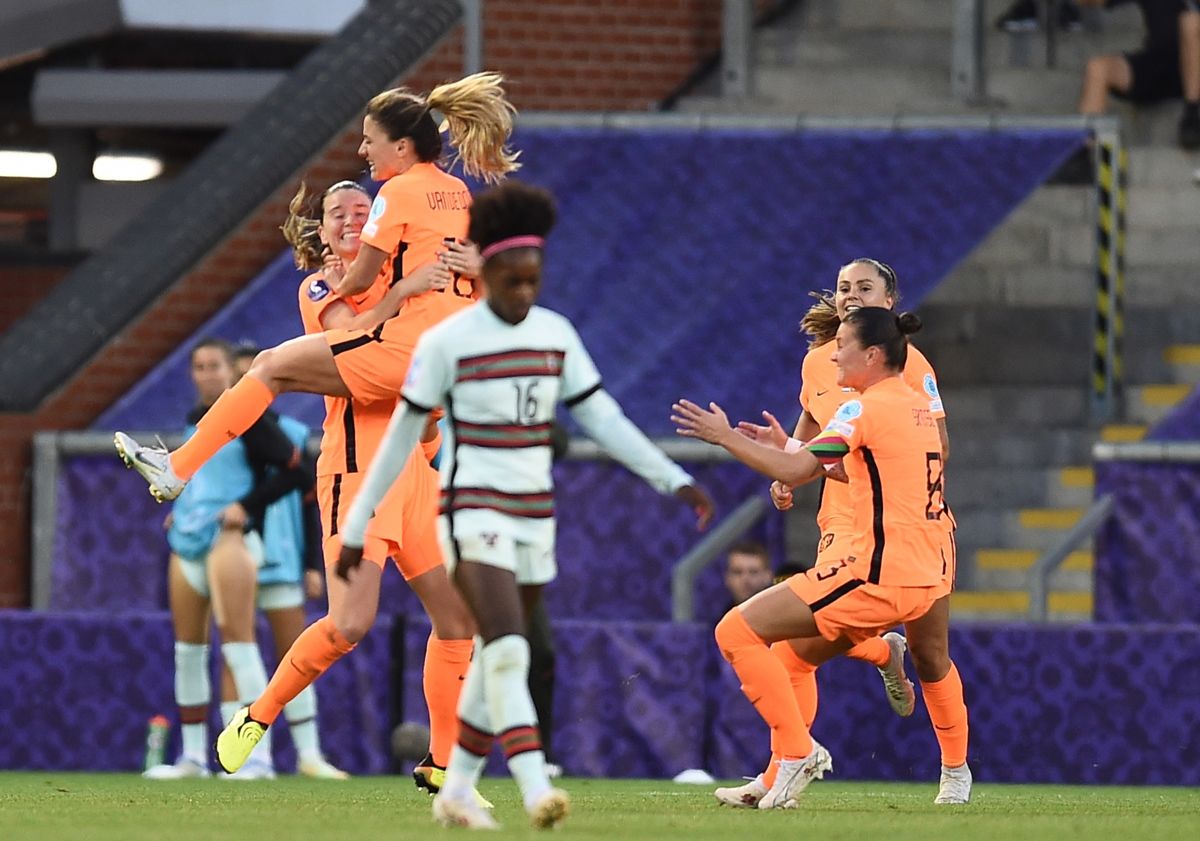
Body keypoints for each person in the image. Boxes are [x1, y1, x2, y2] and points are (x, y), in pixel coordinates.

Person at [329, 181, 715, 829]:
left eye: (534, 280)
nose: (524, 293)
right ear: (486, 271)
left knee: (495, 655)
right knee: (510, 647)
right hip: (468, 512)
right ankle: (537, 786)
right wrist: (356, 521)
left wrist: (671, 476)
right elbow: (398, 441)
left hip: (533, 515)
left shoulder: (555, 333)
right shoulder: (447, 342)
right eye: (513, 280)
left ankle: (455, 791)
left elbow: (604, 416)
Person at [113, 69, 520, 503]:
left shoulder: (396, 193)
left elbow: (361, 290)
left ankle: (178, 467)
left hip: (398, 371)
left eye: (370, 139)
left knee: (268, 366)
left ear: (401, 147)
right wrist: (475, 268)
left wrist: (349, 281)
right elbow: (480, 281)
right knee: (425, 466)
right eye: (338, 215)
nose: (362, 149)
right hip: (451, 353)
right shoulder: (458, 192)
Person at [672, 307, 966, 810]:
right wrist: (788, 443)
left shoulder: (861, 408)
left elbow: (797, 468)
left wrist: (727, 437)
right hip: (931, 563)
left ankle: (797, 753)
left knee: (734, 632)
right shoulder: (918, 407)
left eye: (844, 345)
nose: (835, 355)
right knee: (794, 658)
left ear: (872, 355)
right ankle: (952, 777)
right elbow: (864, 470)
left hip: (875, 572)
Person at [269, 178, 480, 797]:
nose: (351, 220)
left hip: (414, 465)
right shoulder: (320, 286)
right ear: (323, 230)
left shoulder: (398, 279)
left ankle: (443, 765)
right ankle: (261, 716)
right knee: (351, 622)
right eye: (338, 213)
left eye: (363, 211)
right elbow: (355, 347)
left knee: (459, 617)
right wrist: (410, 292)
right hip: (358, 465)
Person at [142, 338, 313, 780]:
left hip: (230, 541)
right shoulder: (193, 422)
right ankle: (193, 757)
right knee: (188, 651)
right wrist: (183, 512)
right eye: (198, 366)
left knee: (240, 645)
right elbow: (195, 479)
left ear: (229, 372)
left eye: (214, 366)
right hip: (189, 540)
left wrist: (247, 507)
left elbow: (297, 471)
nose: (207, 374)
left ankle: (257, 756)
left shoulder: (249, 416)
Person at [225, 342, 348, 780]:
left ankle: (309, 754)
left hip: (281, 553)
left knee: (293, 650)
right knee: (233, 648)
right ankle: (239, 756)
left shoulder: (293, 438)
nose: (248, 387)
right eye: (239, 379)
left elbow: (309, 503)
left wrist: (313, 562)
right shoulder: (222, 433)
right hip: (232, 551)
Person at [1077, 0, 1200, 149]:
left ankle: (1193, 114)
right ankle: (1086, 153)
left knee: (1191, 21)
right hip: (1158, 65)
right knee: (1097, 68)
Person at [723, 540, 775, 610]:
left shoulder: (782, 616)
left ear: (768, 576)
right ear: (728, 578)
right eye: (737, 572)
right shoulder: (722, 618)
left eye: (753, 572)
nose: (745, 579)